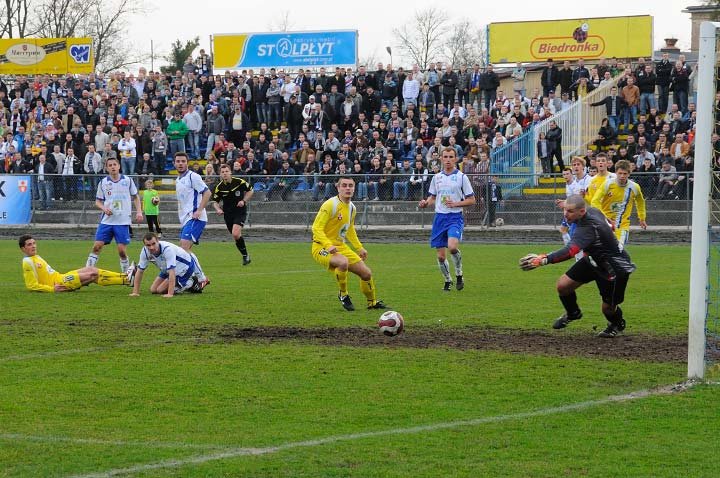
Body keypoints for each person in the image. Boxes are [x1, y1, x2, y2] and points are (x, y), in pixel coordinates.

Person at [519, 194, 636, 338]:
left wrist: (544, 259)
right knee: (563, 286)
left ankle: (617, 324)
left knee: (608, 308)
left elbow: (570, 251)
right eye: (565, 210)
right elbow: (610, 224)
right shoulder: (592, 210)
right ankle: (573, 313)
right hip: (594, 259)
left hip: (614, 268)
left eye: (569, 211)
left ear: (581, 212)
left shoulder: (587, 228)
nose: (565, 214)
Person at [311, 176, 387, 311]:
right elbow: (316, 228)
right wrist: (328, 245)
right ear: (338, 188)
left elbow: (349, 229)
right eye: (344, 185)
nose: (348, 188)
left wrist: (359, 247)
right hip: (321, 246)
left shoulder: (352, 207)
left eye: (350, 186)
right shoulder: (330, 205)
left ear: (354, 188)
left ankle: (372, 302)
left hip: (340, 246)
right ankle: (343, 294)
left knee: (366, 274)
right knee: (343, 262)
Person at [418, 147, 476, 291]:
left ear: (456, 159)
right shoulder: (436, 177)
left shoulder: (462, 177)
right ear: (441, 159)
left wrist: (456, 203)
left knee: (452, 247)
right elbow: (432, 197)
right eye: (446, 157)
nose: (448, 160)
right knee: (441, 257)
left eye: (451, 157)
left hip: (455, 217)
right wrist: (426, 203)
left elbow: (472, 200)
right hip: (439, 218)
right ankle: (447, 279)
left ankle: (459, 273)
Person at [86, 157, 143, 273]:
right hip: (107, 221)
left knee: (121, 251)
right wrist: (104, 208)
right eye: (110, 165)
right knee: (97, 246)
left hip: (122, 221)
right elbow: (97, 201)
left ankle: (126, 274)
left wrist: (139, 212)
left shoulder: (127, 180)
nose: (112, 167)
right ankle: (87, 270)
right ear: (107, 168)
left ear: (119, 166)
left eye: (114, 164)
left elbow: (136, 197)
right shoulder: (103, 182)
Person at [20, 234, 130, 292]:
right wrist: (52, 289)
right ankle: (126, 280)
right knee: (92, 275)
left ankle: (125, 276)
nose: (33, 246)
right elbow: (31, 286)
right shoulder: (27, 262)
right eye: (29, 244)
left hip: (61, 277)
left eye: (34, 243)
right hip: (59, 283)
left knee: (91, 269)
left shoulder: (36, 257)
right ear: (23, 248)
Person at [128, 233, 208, 298]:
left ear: (158, 241)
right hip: (167, 269)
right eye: (148, 245)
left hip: (184, 268)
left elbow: (172, 271)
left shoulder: (167, 249)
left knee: (160, 290)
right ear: (145, 245)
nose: (151, 247)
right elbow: (140, 271)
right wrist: (135, 292)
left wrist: (170, 294)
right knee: (153, 290)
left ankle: (191, 282)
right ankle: (180, 284)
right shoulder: (145, 251)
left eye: (153, 244)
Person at [591, 159, 647, 248]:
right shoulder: (608, 184)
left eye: (625, 174)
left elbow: (640, 201)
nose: (622, 176)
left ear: (629, 174)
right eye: (620, 173)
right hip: (605, 223)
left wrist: (642, 218)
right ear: (616, 172)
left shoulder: (634, 187)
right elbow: (594, 201)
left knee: (618, 250)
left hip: (622, 225)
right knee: (601, 252)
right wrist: (604, 217)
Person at [212, 163, 253, 265]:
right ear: (220, 174)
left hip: (240, 211)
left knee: (235, 233)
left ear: (230, 172)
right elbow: (214, 202)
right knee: (236, 236)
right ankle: (245, 255)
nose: (225, 173)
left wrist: (243, 201)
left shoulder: (239, 182)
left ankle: (245, 256)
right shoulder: (219, 187)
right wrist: (218, 209)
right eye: (222, 172)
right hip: (228, 214)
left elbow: (250, 190)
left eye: (226, 171)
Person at [174, 152, 210, 251]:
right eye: (178, 161)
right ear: (174, 164)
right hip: (185, 219)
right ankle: (194, 267)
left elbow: (207, 193)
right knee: (184, 250)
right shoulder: (178, 180)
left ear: (187, 163)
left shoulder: (193, 176)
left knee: (183, 248)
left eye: (183, 161)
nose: (180, 163)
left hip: (195, 218)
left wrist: (199, 210)